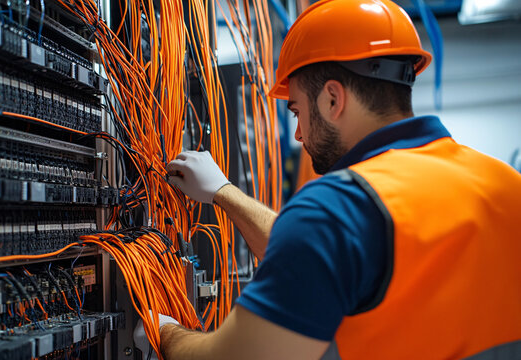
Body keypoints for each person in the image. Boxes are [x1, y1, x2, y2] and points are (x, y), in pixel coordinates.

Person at [133, 0, 521, 359]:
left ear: (333, 100)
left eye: (296, 111)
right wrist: (223, 192)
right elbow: (323, 257)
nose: (298, 134)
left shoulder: (336, 208)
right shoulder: (504, 184)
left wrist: (164, 331)